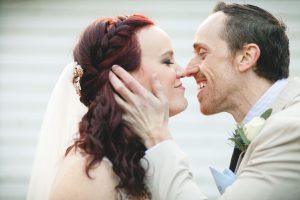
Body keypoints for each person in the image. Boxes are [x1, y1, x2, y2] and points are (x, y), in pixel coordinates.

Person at [109, 2, 300, 200]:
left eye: (202, 54)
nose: (188, 70)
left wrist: (157, 135)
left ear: (246, 57)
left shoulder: (290, 130)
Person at [27, 14, 188, 200]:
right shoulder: (89, 175)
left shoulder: (138, 157)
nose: (181, 71)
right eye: (167, 61)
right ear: (122, 78)